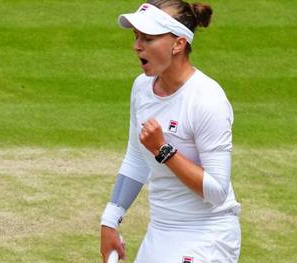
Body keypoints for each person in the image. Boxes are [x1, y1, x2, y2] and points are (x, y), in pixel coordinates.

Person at [100, 1, 242, 262]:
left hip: (208, 235)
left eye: (149, 39)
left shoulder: (207, 100)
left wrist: (163, 151)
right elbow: (135, 160)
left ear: (178, 44)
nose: (137, 46)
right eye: (136, 37)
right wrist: (110, 221)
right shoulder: (142, 88)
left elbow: (217, 191)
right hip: (161, 231)